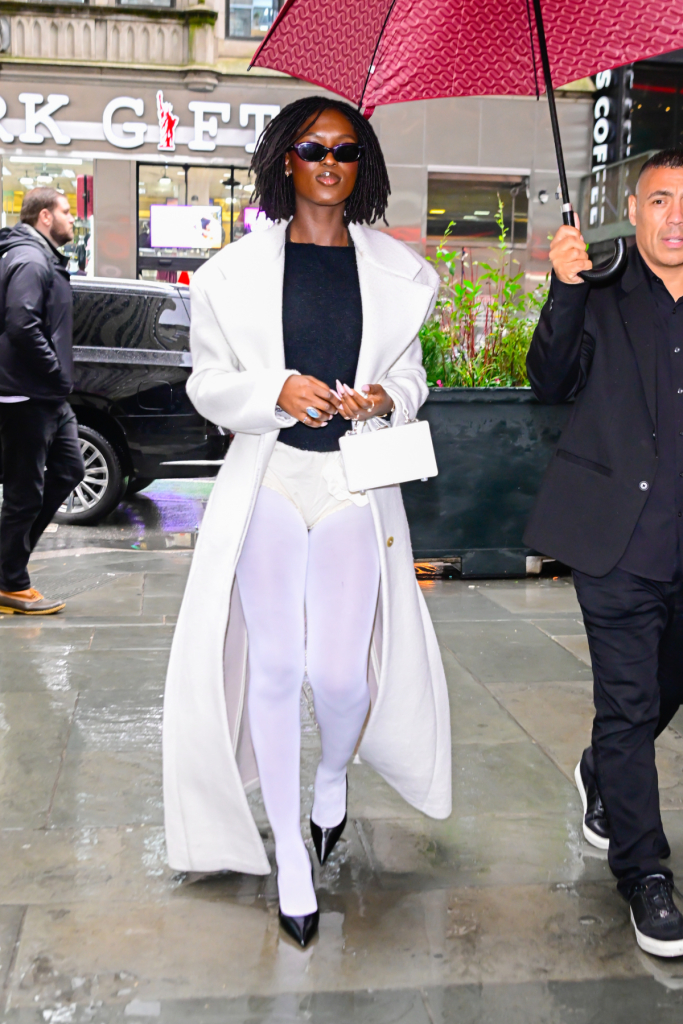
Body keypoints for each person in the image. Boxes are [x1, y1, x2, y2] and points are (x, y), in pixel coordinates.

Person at [163, 96, 452, 948]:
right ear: (283, 162)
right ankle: (289, 848)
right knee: (278, 665)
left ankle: (332, 781)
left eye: (346, 151)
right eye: (311, 148)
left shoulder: (400, 274)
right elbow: (207, 385)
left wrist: (383, 396)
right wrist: (273, 391)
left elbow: (413, 376)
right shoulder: (230, 275)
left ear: (364, 168)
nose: (329, 162)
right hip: (271, 480)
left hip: (355, 483)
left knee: (341, 677)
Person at [525, 149, 683, 958]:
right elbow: (547, 382)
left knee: (661, 692)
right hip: (615, 543)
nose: (675, 217)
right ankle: (643, 872)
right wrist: (563, 287)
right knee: (626, 705)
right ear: (635, 206)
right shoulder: (601, 287)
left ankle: (600, 771)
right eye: (660, 200)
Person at [0, 188, 84, 615]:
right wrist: (54, 370)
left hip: (46, 394)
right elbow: (21, 322)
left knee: (70, 469)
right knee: (24, 492)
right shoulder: (31, 260)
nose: (74, 219)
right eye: (68, 212)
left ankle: (5, 564)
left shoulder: (41, 257)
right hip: (25, 393)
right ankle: (10, 582)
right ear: (46, 217)